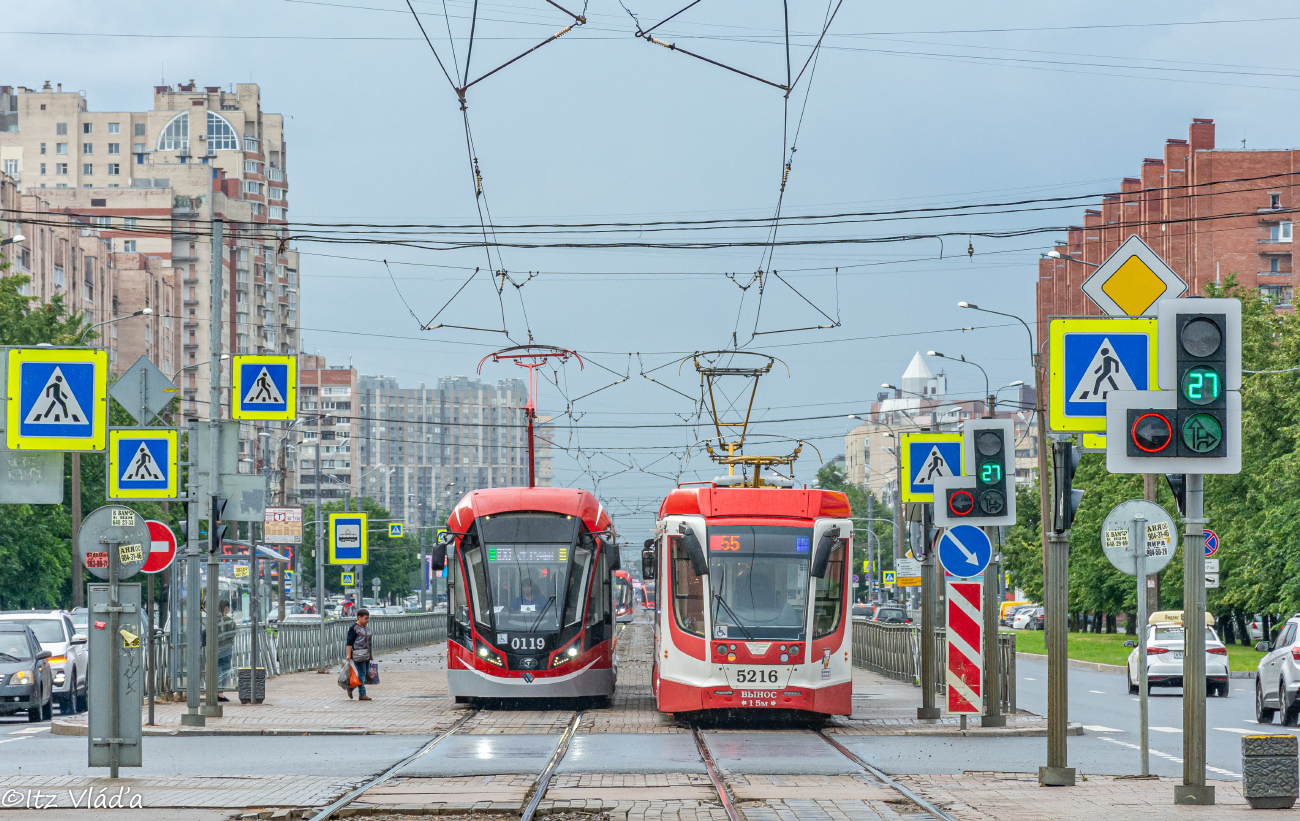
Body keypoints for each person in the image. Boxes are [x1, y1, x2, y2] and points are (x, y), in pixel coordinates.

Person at [345, 608, 372, 701]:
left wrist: (371, 654)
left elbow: (369, 642)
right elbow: (349, 642)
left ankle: (351, 687)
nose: (367, 620)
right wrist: (348, 655)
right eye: (365, 618)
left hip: (367, 654)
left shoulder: (366, 628)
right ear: (359, 617)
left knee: (365, 673)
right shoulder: (354, 628)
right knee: (361, 673)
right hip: (358, 654)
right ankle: (362, 694)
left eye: (368, 618)